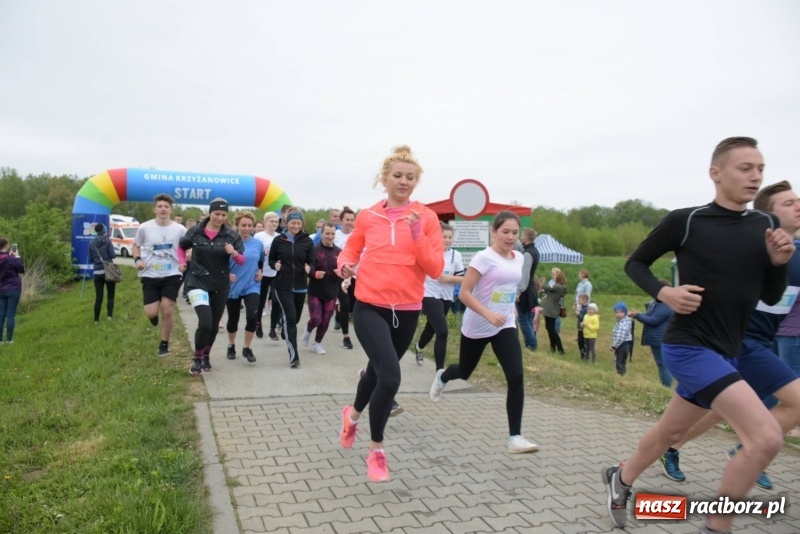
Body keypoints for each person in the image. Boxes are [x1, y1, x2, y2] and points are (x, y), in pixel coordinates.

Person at [601, 137, 795, 533]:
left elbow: (771, 295)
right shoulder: (685, 220)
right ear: (716, 173)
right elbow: (636, 263)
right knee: (765, 439)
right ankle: (716, 524)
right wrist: (664, 291)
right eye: (745, 168)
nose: (755, 175)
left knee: (671, 432)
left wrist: (778, 262)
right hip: (689, 346)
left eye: (760, 168)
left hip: (731, 349)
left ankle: (620, 478)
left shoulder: (766, 225)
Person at [654, 180, 800, 490]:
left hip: (762, 343)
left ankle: (670, 447)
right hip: (737, 342)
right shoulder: (752, 246)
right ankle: (751, 448)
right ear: (767, 217)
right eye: (788, 203)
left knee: (715, 411)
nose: (798, 206)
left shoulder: (793, 252)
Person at [337, 145, 444, 483]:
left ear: (417, 181)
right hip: (369, 306)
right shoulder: (369, 216)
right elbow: (351, 248)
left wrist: (416, 235)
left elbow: (435, 268)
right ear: (384, 179)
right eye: (397, 175)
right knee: (391, 377)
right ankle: (377, 452)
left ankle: (352, 416)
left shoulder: (426, 218)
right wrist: (344, 265)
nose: (403, 181)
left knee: (375, 373)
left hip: (408, 310)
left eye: (410, 177)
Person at [429, 211, 539, 454]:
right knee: (465, 371)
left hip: (505, 324)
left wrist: (510, 301)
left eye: (514, 233)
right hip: (478, 324)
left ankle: (515, 437)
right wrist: (488, 313)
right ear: (494, 232)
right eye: (505, 232)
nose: (510, 237)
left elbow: (508, 286)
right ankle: (443, 377)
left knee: (516, 376)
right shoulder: (483, 258)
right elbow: (465, 293)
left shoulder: (519, 258)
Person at [180, 198, 244, 376]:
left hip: (220, 283)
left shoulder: (231, 236)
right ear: (210, 213)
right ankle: (197, 358)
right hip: (197, 282)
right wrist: (182, 261)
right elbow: (181, 246)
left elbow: (241, 259)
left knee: (214, 325)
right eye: (217, 214)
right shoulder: (196, 231)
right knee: (206, 322)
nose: (220, 218)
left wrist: (235, 253)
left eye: (224, 215)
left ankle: (206, 354)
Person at [132, 193, 187, 356]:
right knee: (151, 312)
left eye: (166, 206)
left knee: (167, 309)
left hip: (172, 273)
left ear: (170, 210)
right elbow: (136, 246)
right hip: (150, 274)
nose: (163, 209)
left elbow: (185, 248)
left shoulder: (180, 229)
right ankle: (153, 316)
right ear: (154, 209)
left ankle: (164, 344)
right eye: (160, 206)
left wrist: (185, 259)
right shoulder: (145, 227)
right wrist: (137, 260)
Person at [414, 222, 465, 368]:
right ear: (437, 237)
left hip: (446, 297)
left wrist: (450, 279)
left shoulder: (456, 256)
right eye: (444, 237)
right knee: (442, 331)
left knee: (431, 328)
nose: (447, 240)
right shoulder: (428, 252)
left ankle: (420, 346)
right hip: (428, 294)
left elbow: (463, 279)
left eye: (450, 237)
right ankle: (439, 371)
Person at [269, 208, 315, 368]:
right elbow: (271, 259)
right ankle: (294, 355)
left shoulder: (307, 241)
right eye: (293, 223)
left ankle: (284, 326)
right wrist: (274, 265)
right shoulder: (278, 240)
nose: (296, 226)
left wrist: (311, 269)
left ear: (302, 224)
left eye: (298, 223)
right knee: (291, 320)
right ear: (286, 223)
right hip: (282, 285)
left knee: (295, 319)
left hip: (301, 286)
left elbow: (312, 262)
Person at [225, 211, 264, 363]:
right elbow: (219, 264)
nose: (246, 228)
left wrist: (260, 271)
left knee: (253, 316)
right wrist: (226, 274)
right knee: (233, 319)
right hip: (233, 285)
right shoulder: (228, 243)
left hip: (252, 285)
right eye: (243, 225)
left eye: (249, 225)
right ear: (237, 226)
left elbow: (260, 261)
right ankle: (231, 345)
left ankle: (247, 348)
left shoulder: (257, 244)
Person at [301, 221, 343, 354]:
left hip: (332, 291)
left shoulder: (339, 252)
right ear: (322, 233)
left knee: (325, 321)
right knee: (316, 319)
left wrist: (340, 273)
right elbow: (308, 269)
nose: (330, 236)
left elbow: (344, 271)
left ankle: (317, 343)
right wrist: (314, 273)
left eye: (332, 234)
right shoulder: (314, 249)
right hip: (316, 291)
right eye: (327, 233)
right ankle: (308, 331)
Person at [629, 284, 675, 387]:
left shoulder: (665, 304)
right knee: (661, 364)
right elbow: (650, 316)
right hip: (656, 339)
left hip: (661, 339)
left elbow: (654, 320)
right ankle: (664, 385)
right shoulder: (657, 303)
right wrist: (638, 314)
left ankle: (666, 387)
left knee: (663, 365)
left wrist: (638, 315)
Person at [254, 211, 281, 340]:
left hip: (275, 273)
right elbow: (254, 253)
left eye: (276, 222)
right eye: (271, 221)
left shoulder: (280, 236)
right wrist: (264, 252)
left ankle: (272, 329)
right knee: (261, 300)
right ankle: (258, 323)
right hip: (262, 273)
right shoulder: (259, 236)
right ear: (265, 222)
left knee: (276, 300)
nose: (274, 224)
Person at [334, 206, 356, 349]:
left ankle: (338, 315)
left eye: (352, 220)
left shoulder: (357, 235)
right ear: (341, 221)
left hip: (354, 275)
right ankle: (346, 338)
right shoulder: (334, 235)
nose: (349, 222)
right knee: (345, 303)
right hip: (338, 274)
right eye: (347, 220)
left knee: (352, 306)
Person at [515, 227, 539, 352]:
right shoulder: (534, 251)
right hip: (530, 289)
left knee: (523, 319)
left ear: (526, 238)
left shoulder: (528, 254)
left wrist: (519, 291)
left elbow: (525, 275)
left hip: (525, 291)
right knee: (528, 317)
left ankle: (531, 344)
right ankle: (532, 343)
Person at [88, 223, 117, 324]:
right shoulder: (108, 241)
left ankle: (96, 320)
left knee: (99, 297)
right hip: (108, 272)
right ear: (104, 231)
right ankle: (109, 316)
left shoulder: (91, 243)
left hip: (97, 273)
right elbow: (113, 255)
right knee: (110, 295)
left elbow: (91, 258)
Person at [0, 238, 24, 343]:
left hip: (1, 289)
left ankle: (0, 340)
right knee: (10, 314)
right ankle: (9, 340)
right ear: (6, 246)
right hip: (13, 289)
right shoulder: (11, 259)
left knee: (1, 314)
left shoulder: (8, 258)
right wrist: (17, 257)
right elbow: (21, 269)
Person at [541, 268, 567, 354]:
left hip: (551, 309)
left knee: (551, 329)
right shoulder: (559, 286)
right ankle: (553, 348)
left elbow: (546, 287)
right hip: (550, 308)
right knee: (549, 328)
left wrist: (542, 282)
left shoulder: (558, 286)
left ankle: (560, 349)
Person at [611, 301, 633, 376]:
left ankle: (621, 376)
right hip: (624, 344)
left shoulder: (624, 323)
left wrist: (614, 346)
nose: (619, 314)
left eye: (621, 312)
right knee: (622, 361)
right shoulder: (622, 321)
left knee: (619, 362)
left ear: (625, 312)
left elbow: (621, 337)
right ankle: (623, 374)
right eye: (616, 312)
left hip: (622, 344)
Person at [575, 293, 589, 360]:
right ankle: (582, 354)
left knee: (582, 342)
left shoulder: (586, 309)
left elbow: (583, 319)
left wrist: (578, 314)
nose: (578, 301)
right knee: (579, 342)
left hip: (583, 328)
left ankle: (584, 355)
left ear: (585, 300)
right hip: (580, 328)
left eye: (580, 300)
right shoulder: (581, 308)